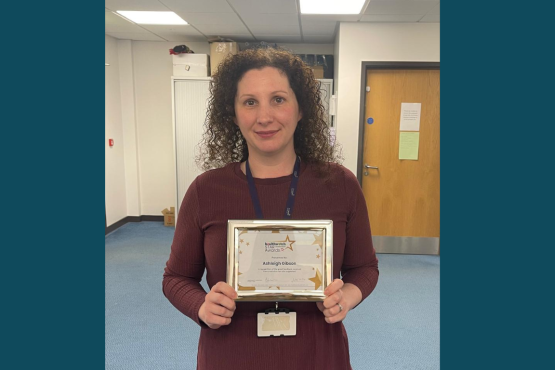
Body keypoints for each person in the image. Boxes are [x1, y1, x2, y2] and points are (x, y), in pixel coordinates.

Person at [163, 47, 379, 370]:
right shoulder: (205, 191)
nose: (265, 116)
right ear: (233, 113)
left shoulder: (340, 185)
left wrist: (347, 295)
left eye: (278, 99)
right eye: (250, 102)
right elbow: (176, 278)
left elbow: (365, 268)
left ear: (301, 108)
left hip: (318, 355)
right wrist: (202, 306)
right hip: (231, 356)